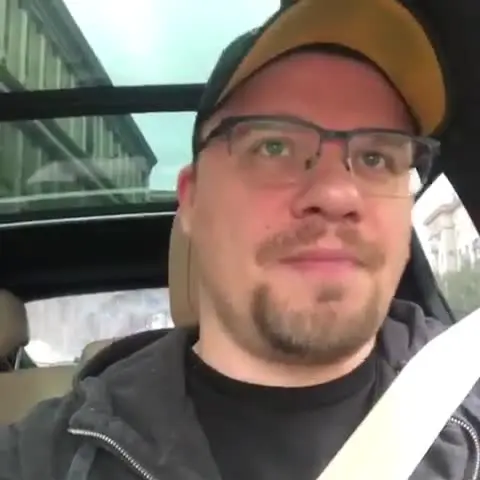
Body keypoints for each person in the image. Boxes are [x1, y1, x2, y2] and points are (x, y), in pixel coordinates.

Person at [1, 1, 478, 479]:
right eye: (273, 146)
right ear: (192, 200)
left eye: (376, 158)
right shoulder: (42, 460)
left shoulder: (464, 393)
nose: (337, 194)